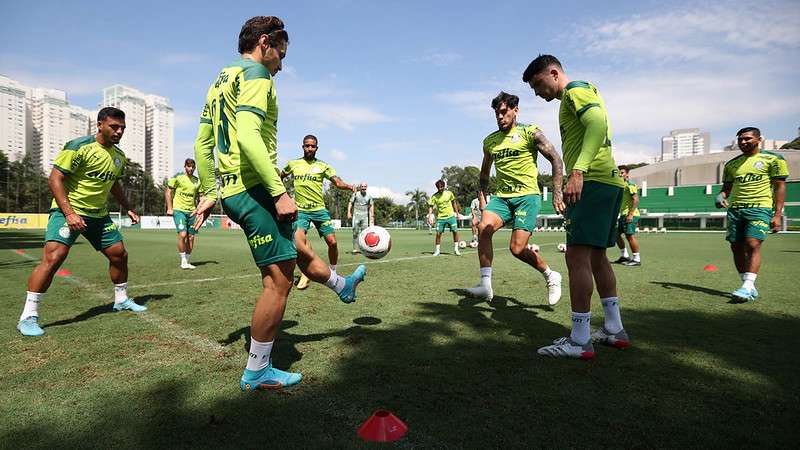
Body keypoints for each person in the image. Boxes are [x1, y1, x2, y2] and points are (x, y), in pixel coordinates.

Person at [192, 16, 365, 392]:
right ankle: (258, 370)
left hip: (236, 190)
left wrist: (209, 190)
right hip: (256, 189)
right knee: (278, 282)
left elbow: (202, 144)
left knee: (298, 247)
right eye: (281, 55)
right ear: (265, 42)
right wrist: (277, 191)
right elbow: (250, 137)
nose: (282, 65)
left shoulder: (221, 79)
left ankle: (341, 285)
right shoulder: (257, 75)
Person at [523, 54, 630, 359]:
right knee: (598, 258)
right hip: (607, 183)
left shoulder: (575, 90)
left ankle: (580, 339)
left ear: (554, 73)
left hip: (592, 181)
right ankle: (613, 328)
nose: (537, 92)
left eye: (538, 84)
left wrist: (579, 170)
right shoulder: (578, 94)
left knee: (577, 258)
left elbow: (596, 123)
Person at [16, 107, 146, 337]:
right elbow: (55, 178)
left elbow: (114, 184)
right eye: (114, 127)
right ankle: (28, 316)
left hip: (99, 214)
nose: (118, 132)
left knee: (119, 254)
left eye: (122, 128)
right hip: (69, 211)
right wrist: (69, 213)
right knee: (54, 258)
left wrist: (129, 208)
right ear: (99, 125)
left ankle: (121, 300)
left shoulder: (119, 156)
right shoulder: (78, 146)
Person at [464, 92, 564, 306]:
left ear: (515, 110)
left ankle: (550, 275)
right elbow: (484, 173)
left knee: (517, 249)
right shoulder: (490, 141)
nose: (500, 117)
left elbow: (556, 158)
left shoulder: (530, 133)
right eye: (496, 114)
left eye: (504, 112)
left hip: (527, 197)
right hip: (502, 198)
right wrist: (482, 197)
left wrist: (557, 192)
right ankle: (485, 284)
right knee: (483, 228)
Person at [716, 127, 788, 302]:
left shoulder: (773, 159)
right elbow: (726, 189)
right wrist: (720, 196)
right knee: (736, 246)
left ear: (759, 139)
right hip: (735, 210)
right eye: (740, 139)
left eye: (747, 138)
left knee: (753, 243)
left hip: (760, 208)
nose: (743, 142)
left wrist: (777, 214)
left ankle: (747, 286)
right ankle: (748, 285)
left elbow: (779, 186)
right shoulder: (732, 164)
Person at [282, 135, 361, 288]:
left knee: (332, 242)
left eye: (312, 146)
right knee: (299, 241)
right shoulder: (293, 164)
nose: (309, 148)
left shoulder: (323, 166)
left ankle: (333, 271)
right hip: (301, 210)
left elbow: (337, 182)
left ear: (317, 148)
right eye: (307, 146)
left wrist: (348, 186)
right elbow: (279, 177)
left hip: (319, 210)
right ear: (302, 147)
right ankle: (306, 273)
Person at [166, 158, 201, 269]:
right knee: (182, 234)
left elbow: (201, 196)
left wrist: (198, 209)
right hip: (179, 210)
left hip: (192, 212)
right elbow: (168, 191)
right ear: (185, 166)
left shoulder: (197, 181)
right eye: (189, 166)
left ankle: (187, 261)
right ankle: (183, 261)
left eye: (193, 167)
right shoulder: (178, 177)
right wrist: (170, 208)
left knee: (191, 237)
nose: (191, 169)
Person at [613, 165, 641, 266]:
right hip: (623, 215)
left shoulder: (630, 184)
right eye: (619, 173)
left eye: (622, 173)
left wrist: (631, 214)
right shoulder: (621, 185)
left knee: (629, 236)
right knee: (616, 234)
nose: (620, 174)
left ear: (627, 174)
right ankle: (624, 256)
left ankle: (637, 259)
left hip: (630, 215)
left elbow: (636, 200)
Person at [427, 180, 461, 256]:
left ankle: (456, 249)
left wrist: (457, 213)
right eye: (439, 187)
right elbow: (431, 206)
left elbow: (454, 203)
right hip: (440, 218)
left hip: (451, 216)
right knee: (438, 234)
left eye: (441, 187)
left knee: (455, 232)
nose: (440, 189)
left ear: (444, 186)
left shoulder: (449, 193)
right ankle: (437, 250)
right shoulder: (434, 196)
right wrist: (429, 216)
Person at [347, 182, 374, 253]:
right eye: (362, 186)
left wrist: (372, 216)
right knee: (355, 232)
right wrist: (349, 212)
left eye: (365, 186)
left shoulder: (369, 196)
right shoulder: (356, 194)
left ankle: (363, 249)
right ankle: (354, 249)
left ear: (366, 187)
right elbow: (350, 203)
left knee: (364, 233)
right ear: (360, 187)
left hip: (365, 217)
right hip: (356, 216)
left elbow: (371, 206)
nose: (363, 188)